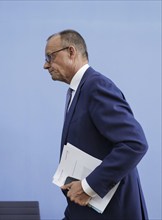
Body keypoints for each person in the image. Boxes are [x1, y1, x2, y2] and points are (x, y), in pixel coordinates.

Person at [43, 29, 148, 220]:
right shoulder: (77, 90)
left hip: (110, 211)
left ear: (71, 52)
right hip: (84, 209)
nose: (45, 65)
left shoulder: (96, 86)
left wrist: (87, 187)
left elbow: (135, 143)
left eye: (50, 57)